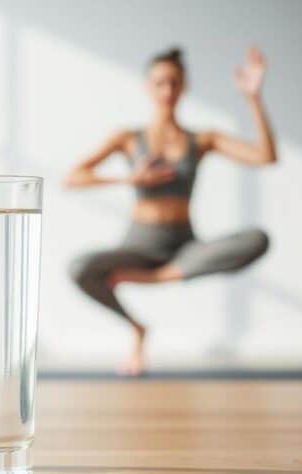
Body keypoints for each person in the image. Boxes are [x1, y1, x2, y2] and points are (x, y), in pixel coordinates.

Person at [63, 46, 277, 375]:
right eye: (160, 83)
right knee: (79, 268)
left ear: (184, 86)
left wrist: (253, 99)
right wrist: (129, 177)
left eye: (174, 83)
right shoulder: (128, 138)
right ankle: (137, 328)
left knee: (258, 238)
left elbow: (265, 156)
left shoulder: (202, 139)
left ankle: (158, 277)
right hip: (137, 246)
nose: (168, 90)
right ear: (147, 87)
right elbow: (73, 177)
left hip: (184, 248)